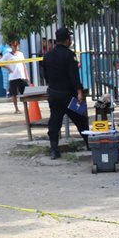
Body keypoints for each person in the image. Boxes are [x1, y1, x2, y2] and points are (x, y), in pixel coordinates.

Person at [40, 26, 89, 160]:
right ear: (67, 40)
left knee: (54, 123)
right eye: (70, 38)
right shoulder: (69, 55)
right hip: (69, 95)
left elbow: (45, 75)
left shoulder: (47, 55)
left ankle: (54, 151)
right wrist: (79, 92)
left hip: (54, 94)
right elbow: (74, 76)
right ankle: (90, 144)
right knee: (81, 120)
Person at [3, 39, 28, 113]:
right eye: (14, 46)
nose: (16, 47)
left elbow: (24, 65)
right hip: (13, 77)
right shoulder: (7, 55)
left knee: (25, 93)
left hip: (21, 76)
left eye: (17, 45)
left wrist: (26, 76)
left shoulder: (21, 54)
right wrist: (8, 68)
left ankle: (26, 108)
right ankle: (16, 109)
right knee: (14, 94)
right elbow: (0, 63)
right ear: (11, 46)